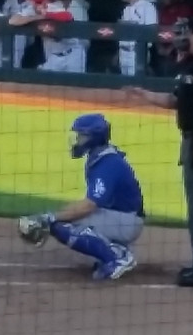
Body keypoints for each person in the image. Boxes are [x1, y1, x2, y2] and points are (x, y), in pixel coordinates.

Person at [125, 16, 193, 287]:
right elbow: (173, 100)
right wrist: (143, 93)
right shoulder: (190, 65)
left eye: (187, 32)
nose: (181, 37)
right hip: (191, 140)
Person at [17, 114, 145, 281]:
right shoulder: (101, 157)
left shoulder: (107, 164)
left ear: (94, 138)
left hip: (126, 222)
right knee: (67, 217)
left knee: (62, 224)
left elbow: (89, 205)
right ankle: (118, 250)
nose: (77, 140)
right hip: (121, 216)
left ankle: (116, 258)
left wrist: (49, 218)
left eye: (82, 136)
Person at [118, 0, 158, 76]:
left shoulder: (147, 6)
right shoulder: (126, 9)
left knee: (136, 83)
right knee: (124, 83)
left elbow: (152, 29)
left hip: (137, 52)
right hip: (123, 52)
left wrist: (143, 51)